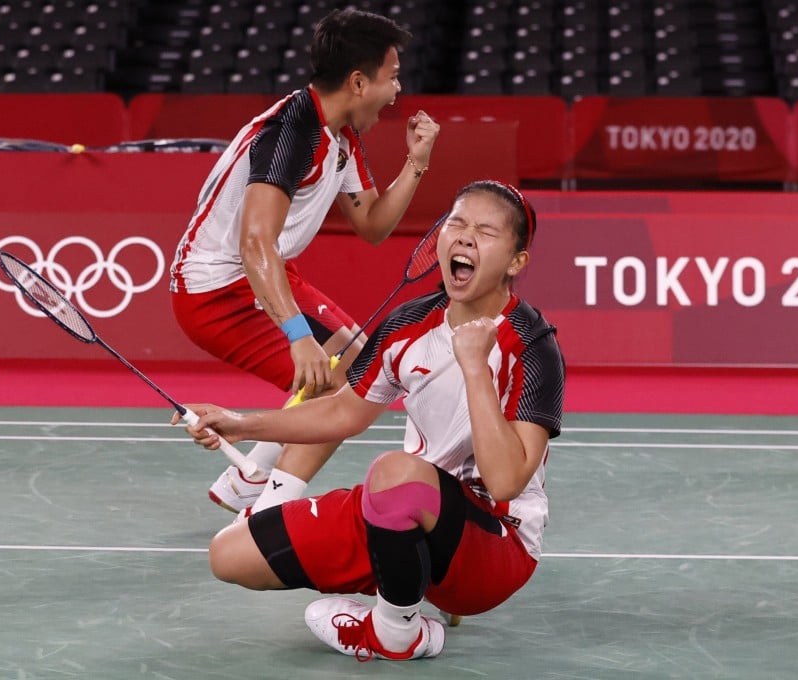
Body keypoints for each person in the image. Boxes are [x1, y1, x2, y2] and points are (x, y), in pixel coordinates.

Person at [177, 180, 565, 661]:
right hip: (410, 509)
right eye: (457, 223)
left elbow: (506, 479)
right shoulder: (409, 324)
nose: (464, 238)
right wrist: (240, 424)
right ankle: (410, 577)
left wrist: (473, 367)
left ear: (515, 261)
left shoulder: (533, 344)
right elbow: (345, 410)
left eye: (485, 231)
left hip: (494, 547)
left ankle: (396, 633)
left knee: (394, 471)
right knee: (229, 555)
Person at [169, 8, 441, 516]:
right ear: (359, 82)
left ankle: (247, 485)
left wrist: (417, 162)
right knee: (347, 389)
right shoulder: (293, 132)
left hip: (266, 273)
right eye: (393, 76)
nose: (398, 90)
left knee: (362, 363)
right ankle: (268, 512)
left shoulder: (340, 135)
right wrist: (298, 336)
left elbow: (374, 225)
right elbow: (255, 242)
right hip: (216, 290)